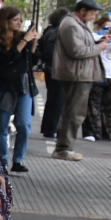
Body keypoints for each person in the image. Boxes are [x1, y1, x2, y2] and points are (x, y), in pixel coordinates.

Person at [50, 0, 109, 160]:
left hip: (81, 74)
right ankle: (63, 148)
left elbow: (81, 45)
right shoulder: (70, 25)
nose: (93, 17)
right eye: (91, 13)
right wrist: (99, 47)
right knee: (74, 112)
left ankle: (65, 146)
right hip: (76, 75)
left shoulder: (76, 24)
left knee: (75, 111)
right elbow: (76, 50)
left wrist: (97, 42)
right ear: (82, 10)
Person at [0, 6, 35, 172]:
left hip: (23, 83)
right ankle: (2, 161)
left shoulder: (22, 36)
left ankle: (18, 159)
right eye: (15, 20)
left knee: (24, 123)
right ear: (5, 21)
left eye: (20, 20)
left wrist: (32, 41)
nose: (18, 23)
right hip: (4, 83)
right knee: (2, 124)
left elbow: (32, 59)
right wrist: (24, 42)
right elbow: (6, 58)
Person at [86, 22, 111, 142]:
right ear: (99, 28)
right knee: (94, 103)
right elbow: (91, 42)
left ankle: (106, 132)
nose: (109, 30)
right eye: (105, 27)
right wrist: (106, 36)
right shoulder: (95, 37)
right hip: (98, 75)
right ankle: (92, 132)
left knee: (108, 105)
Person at [37, 8, 69, 139]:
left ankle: (48, 127)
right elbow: (51, 52)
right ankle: (51, 128)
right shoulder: (57, 33)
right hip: (57, 69)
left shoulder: (49, 31)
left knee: (53, 99)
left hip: (51, 69)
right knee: (57, 100)